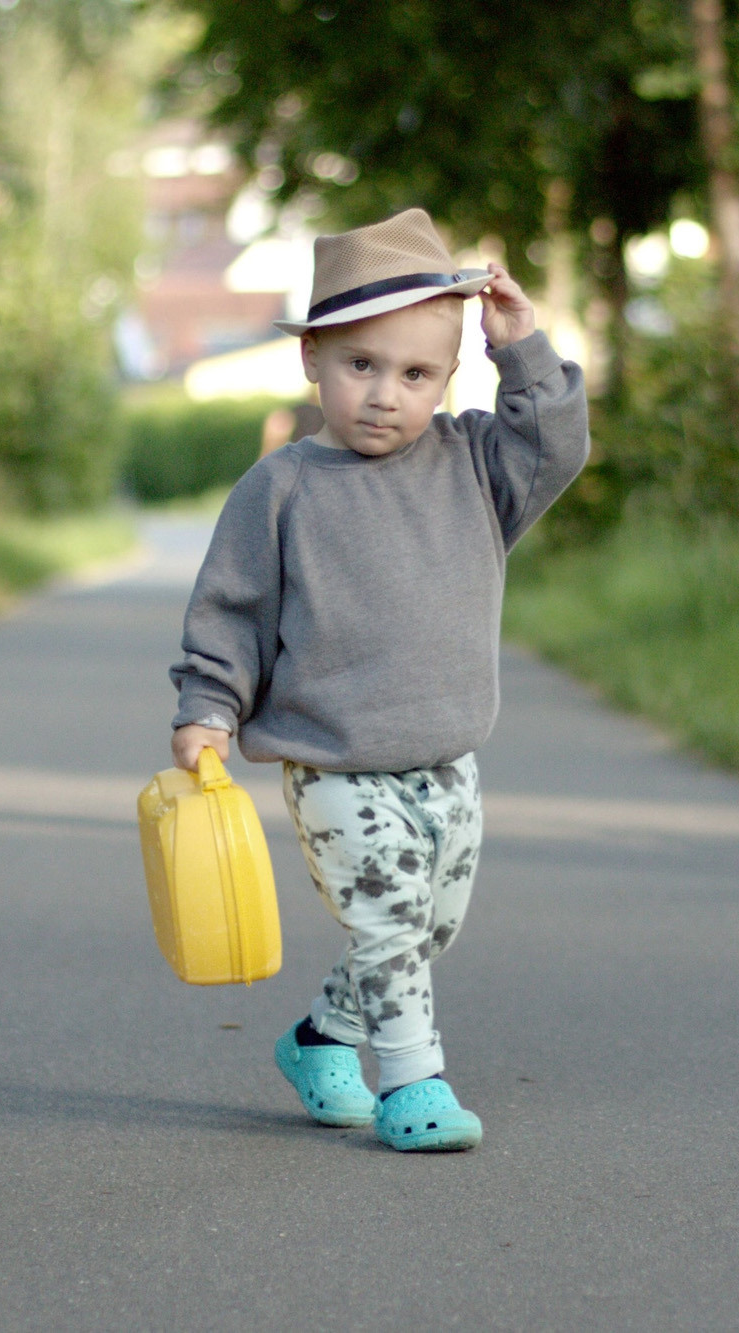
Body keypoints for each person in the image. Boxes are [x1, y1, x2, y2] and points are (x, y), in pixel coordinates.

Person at [167, 208, 588, 1152]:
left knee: (425, 930)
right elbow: (230, 613)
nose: (387, 395)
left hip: (447, 759)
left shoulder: (476, 465)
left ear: (449, 376)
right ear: (312, 357)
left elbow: (557, 446)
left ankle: (321, 1039)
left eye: (417, 373)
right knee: (391, 928)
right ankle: (413, 1083)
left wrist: (523, 354)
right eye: (362, 365)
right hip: (334, 762)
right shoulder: (280, 490)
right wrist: (208, 708)